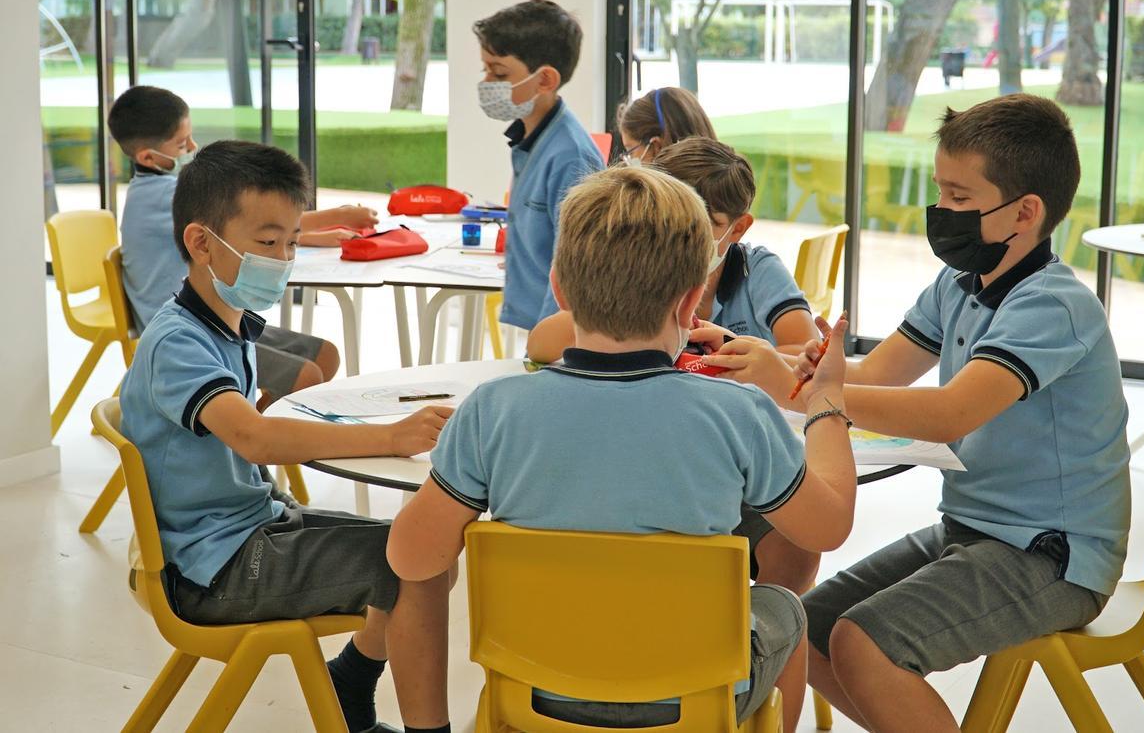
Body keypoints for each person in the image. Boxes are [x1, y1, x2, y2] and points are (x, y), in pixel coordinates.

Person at [700, 94, 1131, 733]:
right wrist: (782, 365)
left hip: (1052, 553)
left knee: (866, 643)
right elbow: (874, 376)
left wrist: (809, 392)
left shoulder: (1053, 304)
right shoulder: (958, 285)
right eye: (940, 193)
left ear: (1026, 211)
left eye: (959, 198)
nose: (941, 213)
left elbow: (950, 413)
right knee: (811, 634)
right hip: (975, 530)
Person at [386, 166, 858, 731]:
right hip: (690, 696)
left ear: (559, 290)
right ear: (690, 304)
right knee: (784, 608)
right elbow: (826, 528)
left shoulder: (492, 410)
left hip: (537, 685)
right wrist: (826, 402)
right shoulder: (739, 415)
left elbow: (412, 559)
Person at [119, 140, 455, 733]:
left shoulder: (228, 325)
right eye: (269, 243)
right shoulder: (177, 342)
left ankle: (350, 678)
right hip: (213, 568)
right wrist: (391, 438)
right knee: (414, 568)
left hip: (248, 529)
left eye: (293, 241)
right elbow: (255, 440)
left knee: (427, 553)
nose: (285, 257)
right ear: (201, 244)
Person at [109, 85, 376, 413]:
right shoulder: (167, 196)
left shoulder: (155, 191)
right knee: (306, 375)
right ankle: (250, 430)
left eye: (288, 242)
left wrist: (307, 235)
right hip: (194, 321)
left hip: (219, 314)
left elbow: (258, 228)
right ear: (148, 157)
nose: (192, 147)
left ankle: (252, 428)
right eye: (181, 144)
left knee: (326, 356)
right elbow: (253, 225)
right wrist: (340, 215)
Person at [527, 137, 820, 361]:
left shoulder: (756, 270)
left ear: (739, 227)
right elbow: (540, 344)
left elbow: (805, 350)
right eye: (670, 222)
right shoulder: (635, 267)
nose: (688, 237)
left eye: (708, 224)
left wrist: (733, 349)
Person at [474, 0, 604, 331]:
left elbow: (574, 269)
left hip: (553, 334)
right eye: (485, 69)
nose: (487, 82)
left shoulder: (571, 157)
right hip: (531, 323)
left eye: (499, 72)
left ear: (545, 80)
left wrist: (547, 344)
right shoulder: (530, 139)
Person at [615, 85, 717, 165]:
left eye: (630, 152)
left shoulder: (665, 191)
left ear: (656, 146)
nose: (627, 162)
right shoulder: (727, 181)